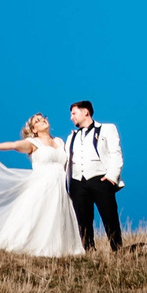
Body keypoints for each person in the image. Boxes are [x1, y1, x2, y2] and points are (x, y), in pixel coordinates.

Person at [0, 114, 86, 257]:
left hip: (61, 186)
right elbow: (14, 145)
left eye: (42, 118)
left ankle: (60, 249)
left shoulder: (59, 142)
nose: (42, 121)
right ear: (34, 129)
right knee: (40, 216)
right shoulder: (33, 142)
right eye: (37, 121)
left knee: (59, 215)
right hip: (43, 185)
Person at [64, 100, 125, 253]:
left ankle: (117, 249)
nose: (71, 117)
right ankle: (89, 251)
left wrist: (111, 177)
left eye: (74, 113)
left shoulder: (107, 129)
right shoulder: (71, 137)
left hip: (101, 179)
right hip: (78, 182)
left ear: (85, 112)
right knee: (83, 220)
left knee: (109, 216)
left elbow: (115, 153)